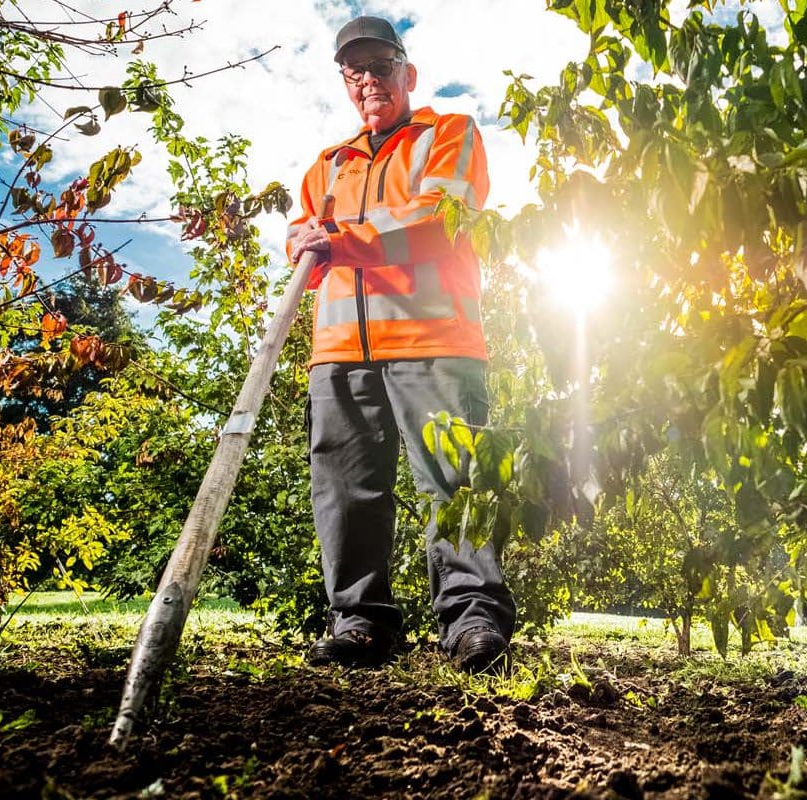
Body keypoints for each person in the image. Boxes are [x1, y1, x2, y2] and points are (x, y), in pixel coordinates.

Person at [285, 15, 515, 672]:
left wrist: (340, 241)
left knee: (454, 484)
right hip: (339, 350)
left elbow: (441, 216)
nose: (367, 82)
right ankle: (361, 624)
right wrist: (299, 240)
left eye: (379, 67)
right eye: (353, 73)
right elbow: (305, 234)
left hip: (433, 339)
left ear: (406, 74)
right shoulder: (325, 167)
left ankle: (473, 621)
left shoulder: (448, 136)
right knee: (345, 489)